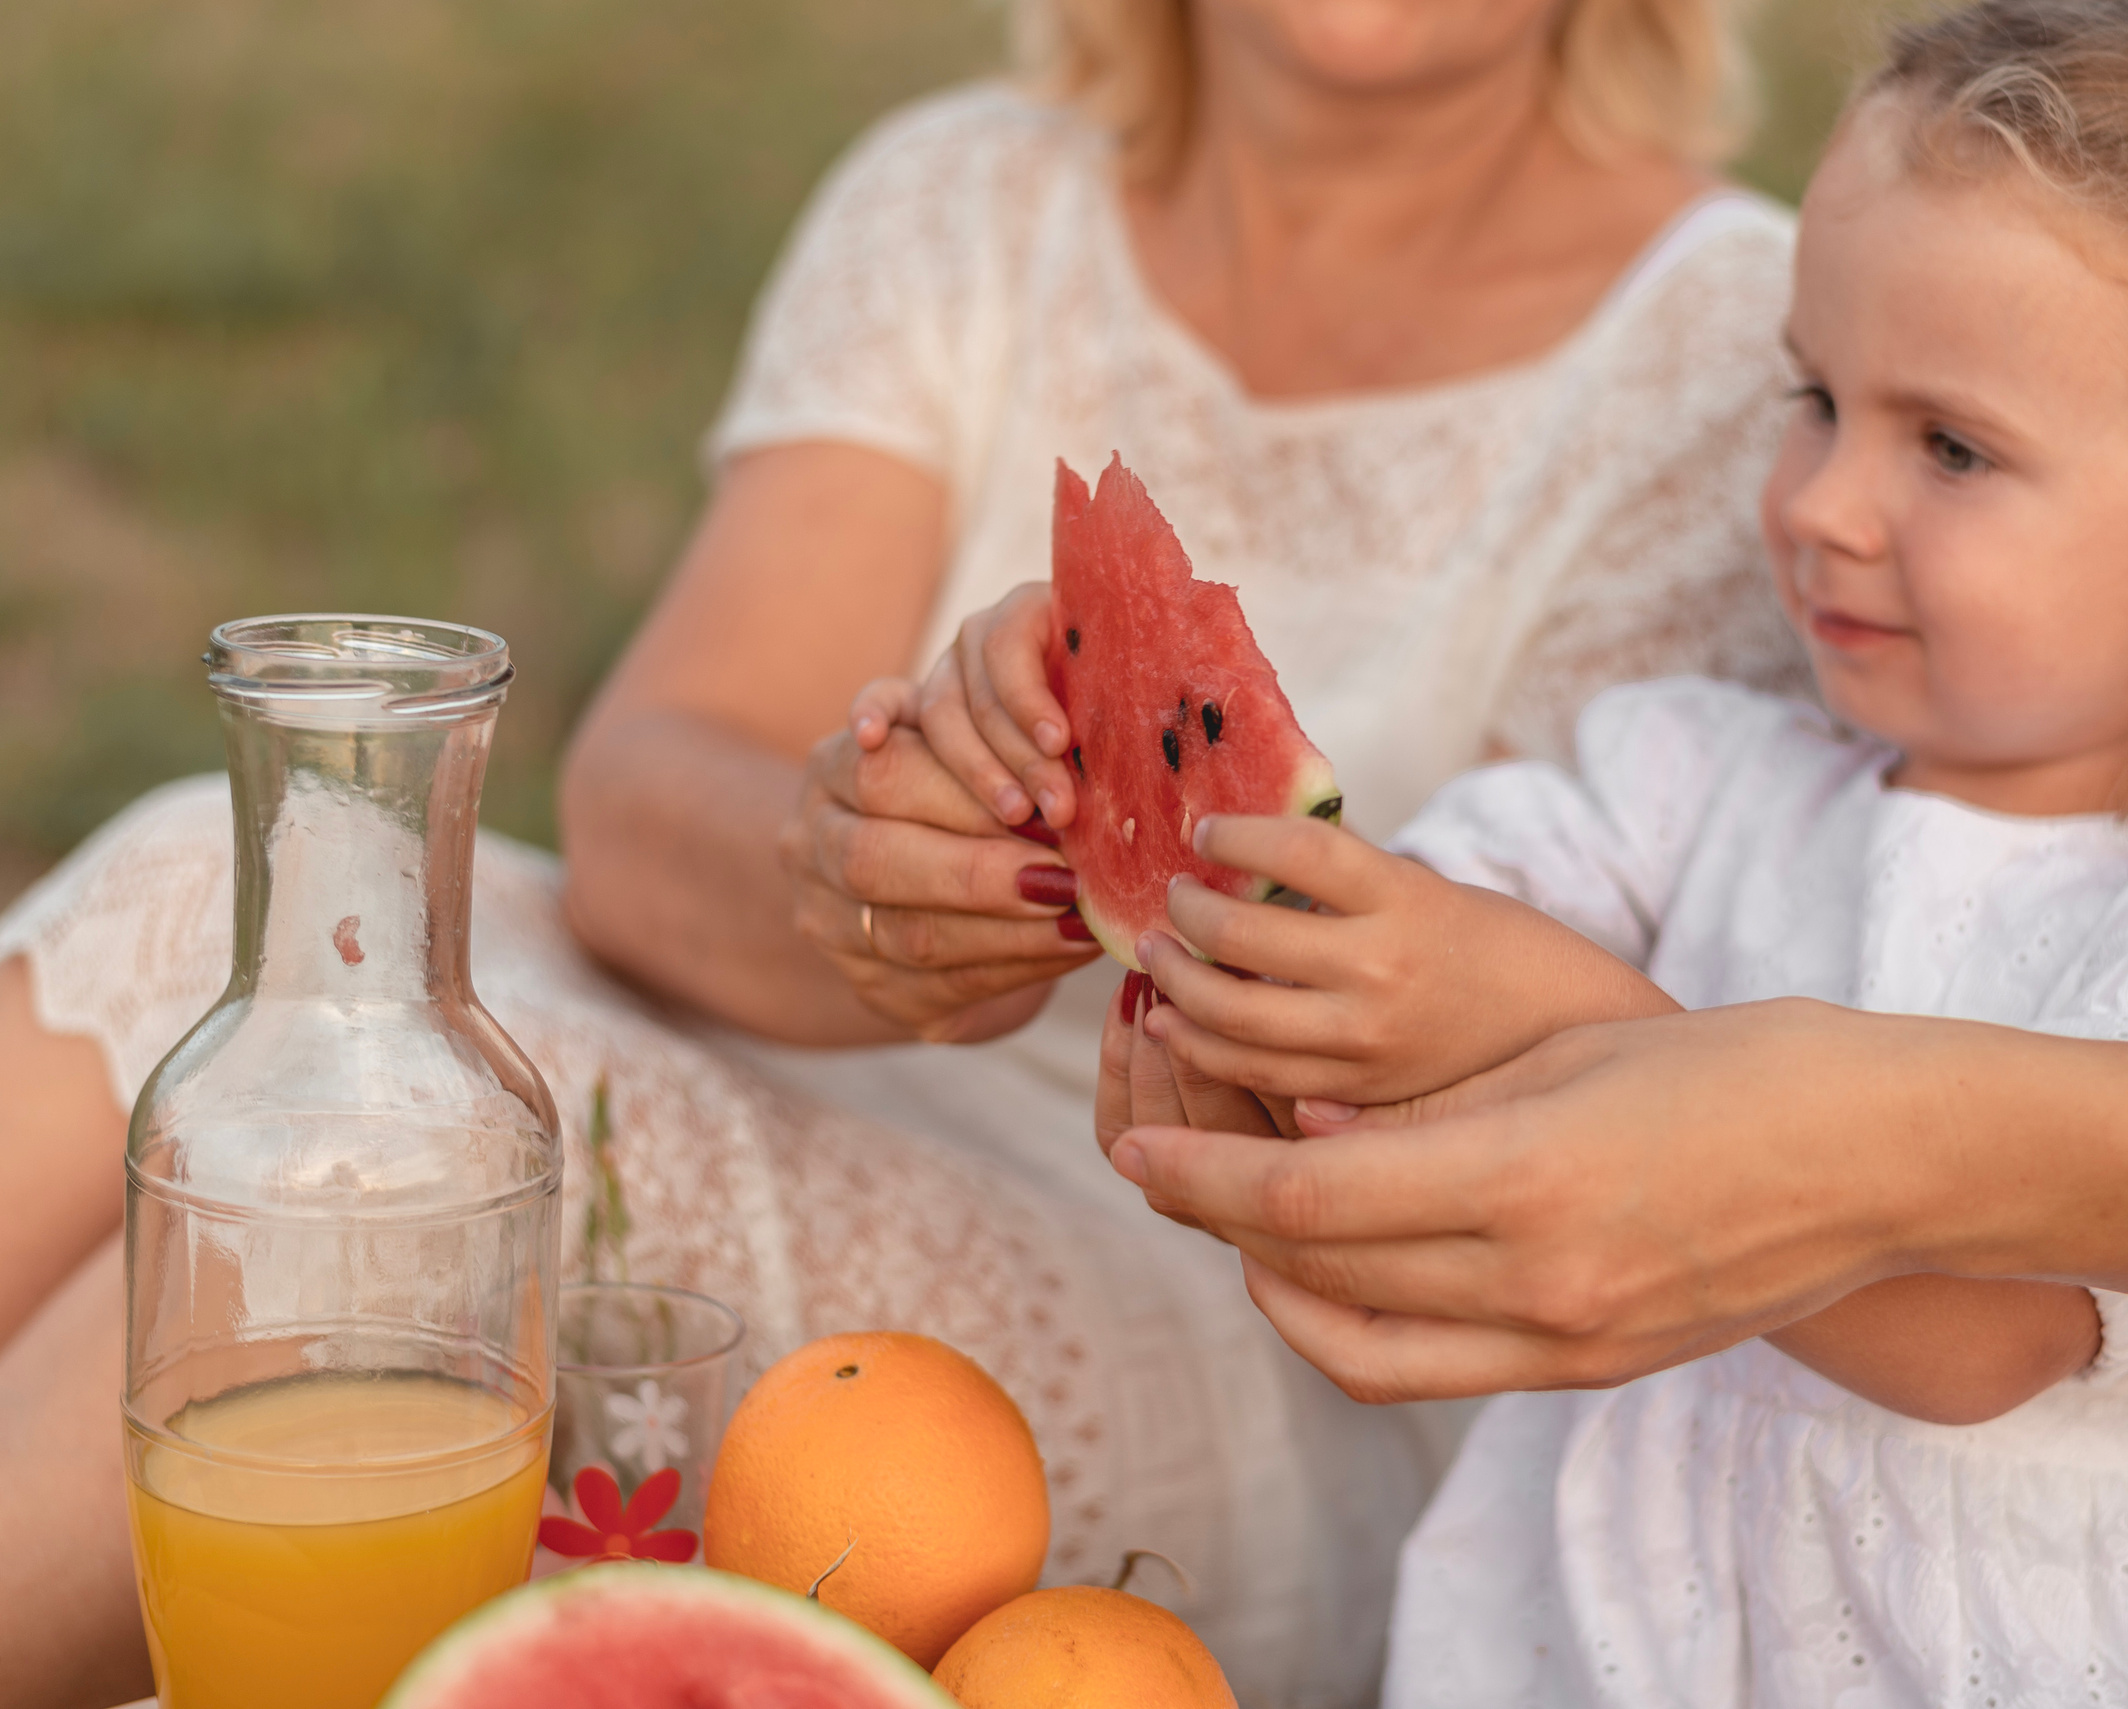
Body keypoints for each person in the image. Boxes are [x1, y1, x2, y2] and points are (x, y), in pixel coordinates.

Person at [0, 1, 1806, 1702]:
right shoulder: (965, 201)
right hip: (792, 1048)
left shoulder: (1756, 344)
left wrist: (1171, 927)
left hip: (1255, 1303)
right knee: (224, 875)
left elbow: (1520, 1084)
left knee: (397, 1129)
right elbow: (643, 797)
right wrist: (838, 871)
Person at [913, 0, 2128, 1694]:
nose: (1820, 504)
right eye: (1814, 397)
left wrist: (1561, 1014)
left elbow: (1980, 1333)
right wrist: (1095, 765)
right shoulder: (1694, 769)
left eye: (1950, 446)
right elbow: (1411, 937)